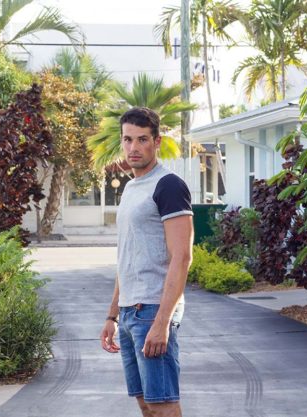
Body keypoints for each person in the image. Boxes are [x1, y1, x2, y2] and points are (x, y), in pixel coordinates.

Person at [100, 107, 193, 417]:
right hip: (129, 313)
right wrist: (113, 315)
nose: (133, 148)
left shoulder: (168, 185)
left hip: (153, 309)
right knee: (146, 405)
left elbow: (182, 257)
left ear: (157, 141)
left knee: (163, 405)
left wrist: (162, 323)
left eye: (142, 139)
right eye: (128, 140)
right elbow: (127, 256)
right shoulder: (130, 188)